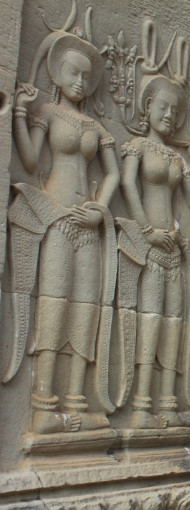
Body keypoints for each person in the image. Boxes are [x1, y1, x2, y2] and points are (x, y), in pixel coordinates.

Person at [10, 29, 120, 434]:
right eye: (73, 73)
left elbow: (113, 174)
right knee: (54, 304)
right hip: (55, 216)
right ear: (58, 75)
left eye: (86, 77)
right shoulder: (49, 114)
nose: (80, 81)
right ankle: (43, 405)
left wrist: (100, 209)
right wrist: (19, 113)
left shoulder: (94, 125)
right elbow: (29, 160)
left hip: (87, 223)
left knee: (85, 307)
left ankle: (75, 400)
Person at [119, 72, 190, 428]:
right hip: (148, 246)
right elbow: (128, 185)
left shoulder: (177, 159)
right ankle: (142, 406)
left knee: (174, 325)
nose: (169, 115)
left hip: (172, 249)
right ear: (147, 107)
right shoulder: (137, 147)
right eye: (163, 107)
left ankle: (168, 404)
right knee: (150, 320)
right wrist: (146, 230)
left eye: (175, 110)